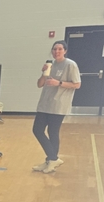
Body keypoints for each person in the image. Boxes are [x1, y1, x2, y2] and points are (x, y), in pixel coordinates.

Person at [33, 40, 81, 174]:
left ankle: (51, 160)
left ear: (65, 51)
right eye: (54, 49)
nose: (57, 52)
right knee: (37, 130)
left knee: (53, 132)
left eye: (60, 49)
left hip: (59, 103)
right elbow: (39, 84)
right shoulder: (50, 65)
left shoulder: (70, 65)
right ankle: (52, 159)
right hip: (45, 103)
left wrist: (58, 82)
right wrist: (43, 73)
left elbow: (77, 84)